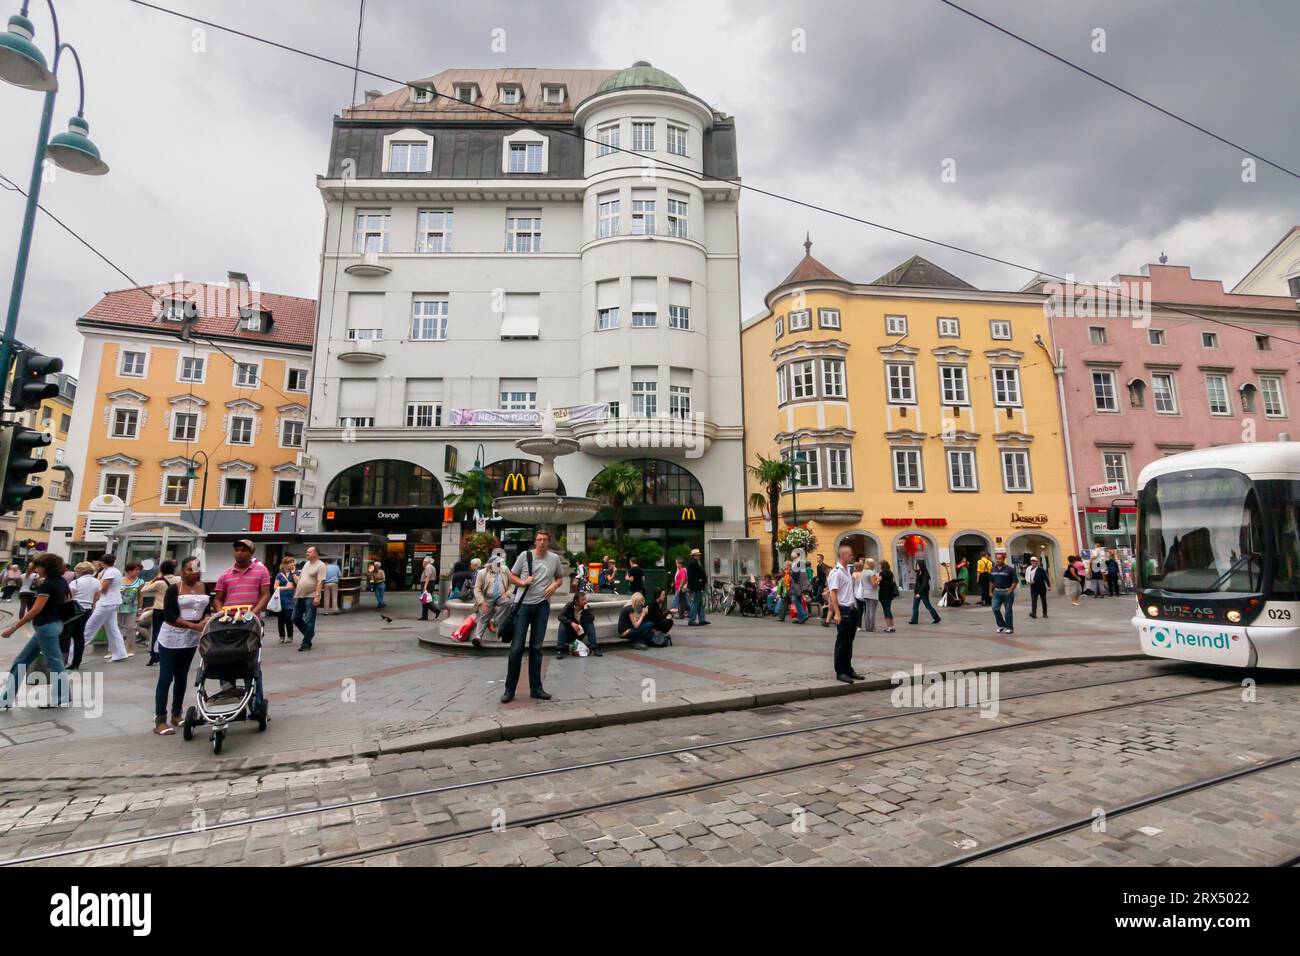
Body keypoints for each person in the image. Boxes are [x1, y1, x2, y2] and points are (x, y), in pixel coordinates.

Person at [1, 553, 72, 710]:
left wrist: (13, 628)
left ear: (46, 567)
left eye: (38, 566)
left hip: (45, 627)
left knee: (54, 662)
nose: (36, 569)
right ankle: (5, 698)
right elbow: (68, 600)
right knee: (21, 661)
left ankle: (61, 697)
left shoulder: (48, 584)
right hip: (54, 625)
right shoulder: (61, 581)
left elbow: (35, 609)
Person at [501, 529, 563, 703]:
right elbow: (510, 575)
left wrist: (555, 586)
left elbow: (560, 577)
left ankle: (536, 688)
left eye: (544, 539)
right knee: (517, 648)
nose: (541, 542)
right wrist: (522, 582)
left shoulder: (554, 559)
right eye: (539, 539)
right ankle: (509, 690)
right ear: (535, 542)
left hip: (542, 605)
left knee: (537, 647)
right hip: (523, 606)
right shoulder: (524, 556)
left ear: (548, 542)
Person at [152, 556, 210, 735]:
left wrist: (206, 618)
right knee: (166, 677)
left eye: (197, 569)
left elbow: (205, 609)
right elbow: (168, 615)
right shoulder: (173, 589)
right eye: (189, 569)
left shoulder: (203, 587)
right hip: (172, 637)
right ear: (182, 571)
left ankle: (177, 714)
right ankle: (160, 719)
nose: (194, 573)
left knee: (182, 676)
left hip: (191, 638)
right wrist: (194, 625)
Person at [211, 539, 272, 710]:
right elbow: (218, 598)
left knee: (251, 662)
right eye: (237, 550)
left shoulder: (261, 571)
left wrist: (254, 612)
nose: (239, 553)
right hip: (228, 622)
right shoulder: (225, 574)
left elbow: (265, 594)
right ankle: (228, 692)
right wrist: (220, 612)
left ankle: (257, 703)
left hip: (250, 623)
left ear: (251, 553)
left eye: (243, 550)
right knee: (224, 656)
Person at [83, 553, 131, 663]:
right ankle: (120, 653)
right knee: (112, 628)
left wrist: (97, 582)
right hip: (111, 602)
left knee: (90, 627)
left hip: (106, 602)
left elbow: (103, 589)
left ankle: (73, 654)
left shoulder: (110, 572)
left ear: (102, 562)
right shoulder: (112, 571)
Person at [828, 543, 864, 684]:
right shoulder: (836, 573)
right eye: (849, 554)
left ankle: (849, 669)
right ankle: (840, 672)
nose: (852, 556)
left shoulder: (847, 570)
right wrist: (837, 613)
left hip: (851, 609)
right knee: (842, 642)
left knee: (849, 642)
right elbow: (833, 594)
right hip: (843, 610)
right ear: (843, 556)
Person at [140, 560, 179, 666]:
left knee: (157, 632)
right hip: (174, 609)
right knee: (173, 631)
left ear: (161, 570)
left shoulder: (159, 582)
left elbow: (143, 590)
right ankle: (172, 653)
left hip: (160, 609)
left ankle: (155, 655)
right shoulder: (179, 580)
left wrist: (153, 580)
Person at [471, 553, 514, 648]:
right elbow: (477, 589)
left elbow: (512, 583)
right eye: (497, 564)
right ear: (490, 564)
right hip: (487, 597)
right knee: (484, 614)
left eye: (500, 563)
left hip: (501, 596)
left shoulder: (505, 569)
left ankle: (495, 621)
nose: (499, 565)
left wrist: (507, 593)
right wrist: (482, 602)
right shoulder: (482, 573)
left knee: (509, 603)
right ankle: (478, 638)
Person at [63, 562, 99, 670]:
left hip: (74, 609)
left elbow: (69, 598)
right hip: (87, 609)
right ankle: (77, 661)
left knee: (67, 635)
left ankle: (65, 660)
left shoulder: (76, 582)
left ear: (80, 571)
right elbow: (97, 596)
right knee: (79, 636)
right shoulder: (97, 582)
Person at [294, 546, 326, 650]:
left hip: (311, 596)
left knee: (309, 620)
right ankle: (310, 633)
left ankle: (306, 643)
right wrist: (296, 592)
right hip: (300, 595)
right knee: (295, 618)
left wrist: (317, 596)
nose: (307, 553)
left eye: (309, 552)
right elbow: (301, 579)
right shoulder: (306, 564)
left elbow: (320, 581)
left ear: (316, 553)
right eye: (306, 551)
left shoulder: (321, 565)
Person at [556, 591, 602, 658]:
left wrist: (586, 610)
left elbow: (592, 619)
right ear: (576, 601)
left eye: (585, 599)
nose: (585, 601)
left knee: (590, 624)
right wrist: (571, 623)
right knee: (562, 623)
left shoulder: (586, 608)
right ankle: (560, 650)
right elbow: (560, 616)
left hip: (579, 634)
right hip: (569, 634)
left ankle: (594, 648)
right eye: (583, 600)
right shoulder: (569, 606)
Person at [989, 550, 1018, 634]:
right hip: (996, 592)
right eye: (997, 559)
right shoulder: (993, 569)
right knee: (995, 609)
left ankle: (1009, 627)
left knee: (1008, 610)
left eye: (999, 559)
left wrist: (1010, 590)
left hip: (1007, 592)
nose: (998, 560)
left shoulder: (1010, 569)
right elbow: (991, 581)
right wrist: (990, 591)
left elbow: (1015, 581)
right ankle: (1001, 625)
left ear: (1003, 559)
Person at [117, 561, 144, 648]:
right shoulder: (119, 580)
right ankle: (117, 646)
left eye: (139, 570)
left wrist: (140, 608)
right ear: (129, 570)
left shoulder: (140, 581)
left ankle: (130, 647)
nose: (138, 572)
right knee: (116, 627)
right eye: (136, 570)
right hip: (118, 606)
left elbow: (140, 595)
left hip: (132, 607)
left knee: (131, 627)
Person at [908, 559, 941, 625]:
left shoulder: (925, 574)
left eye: (917, 565)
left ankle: (937, 618)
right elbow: (917, 583)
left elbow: (924, 584)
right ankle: (914, 620)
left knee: (928, 606)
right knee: (915, 606)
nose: (916, 566)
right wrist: (916, 592)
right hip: (917, 593)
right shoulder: (918, 572)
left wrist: (919, 593)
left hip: (923, 593)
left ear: (921, 565)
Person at [273, 557, 297, 644]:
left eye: (293, 562)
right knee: (280, 619)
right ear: (285, 564)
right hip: (281, 599)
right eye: (290, 563)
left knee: (288, 618)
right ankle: (281, 636)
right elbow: (275, 587)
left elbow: (298, 583)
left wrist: (294, 572)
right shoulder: (279, 575)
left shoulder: (294, 573)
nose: (292, 564)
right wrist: (286, 587)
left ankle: (290, 636)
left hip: (291, 599)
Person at [856, 557, 880, 633]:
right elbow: (873, 584)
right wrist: (878, 579)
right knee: (872, 611)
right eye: (873, 563)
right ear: (871, 564)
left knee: (868, 611)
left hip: (865, 592)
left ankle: (867, 627)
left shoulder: (863, 571)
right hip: (872, 593)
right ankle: (871, 627)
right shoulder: (871, 572)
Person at [686, 548, 709, 626]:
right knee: (696, 603)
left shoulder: (693, 562)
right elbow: (700, 572)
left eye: (699, 555)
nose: (699, 556)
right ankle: (691, 620)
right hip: (696, 586)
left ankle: (702, 619)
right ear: (694, 556)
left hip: (696, 586)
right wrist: (704, 579)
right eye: (698, 555)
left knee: (699, 603)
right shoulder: (694, 563)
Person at [877, 560, 898, 633]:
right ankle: (892, 626)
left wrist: (877, 580)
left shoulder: (882, 573)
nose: (879, 566)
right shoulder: (890, 573)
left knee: (886, 610)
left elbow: (879, 582)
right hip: (890, 593)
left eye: (880, 565)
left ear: (882, 566)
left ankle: (889, 627)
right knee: (888, 609)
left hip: (883, 593)